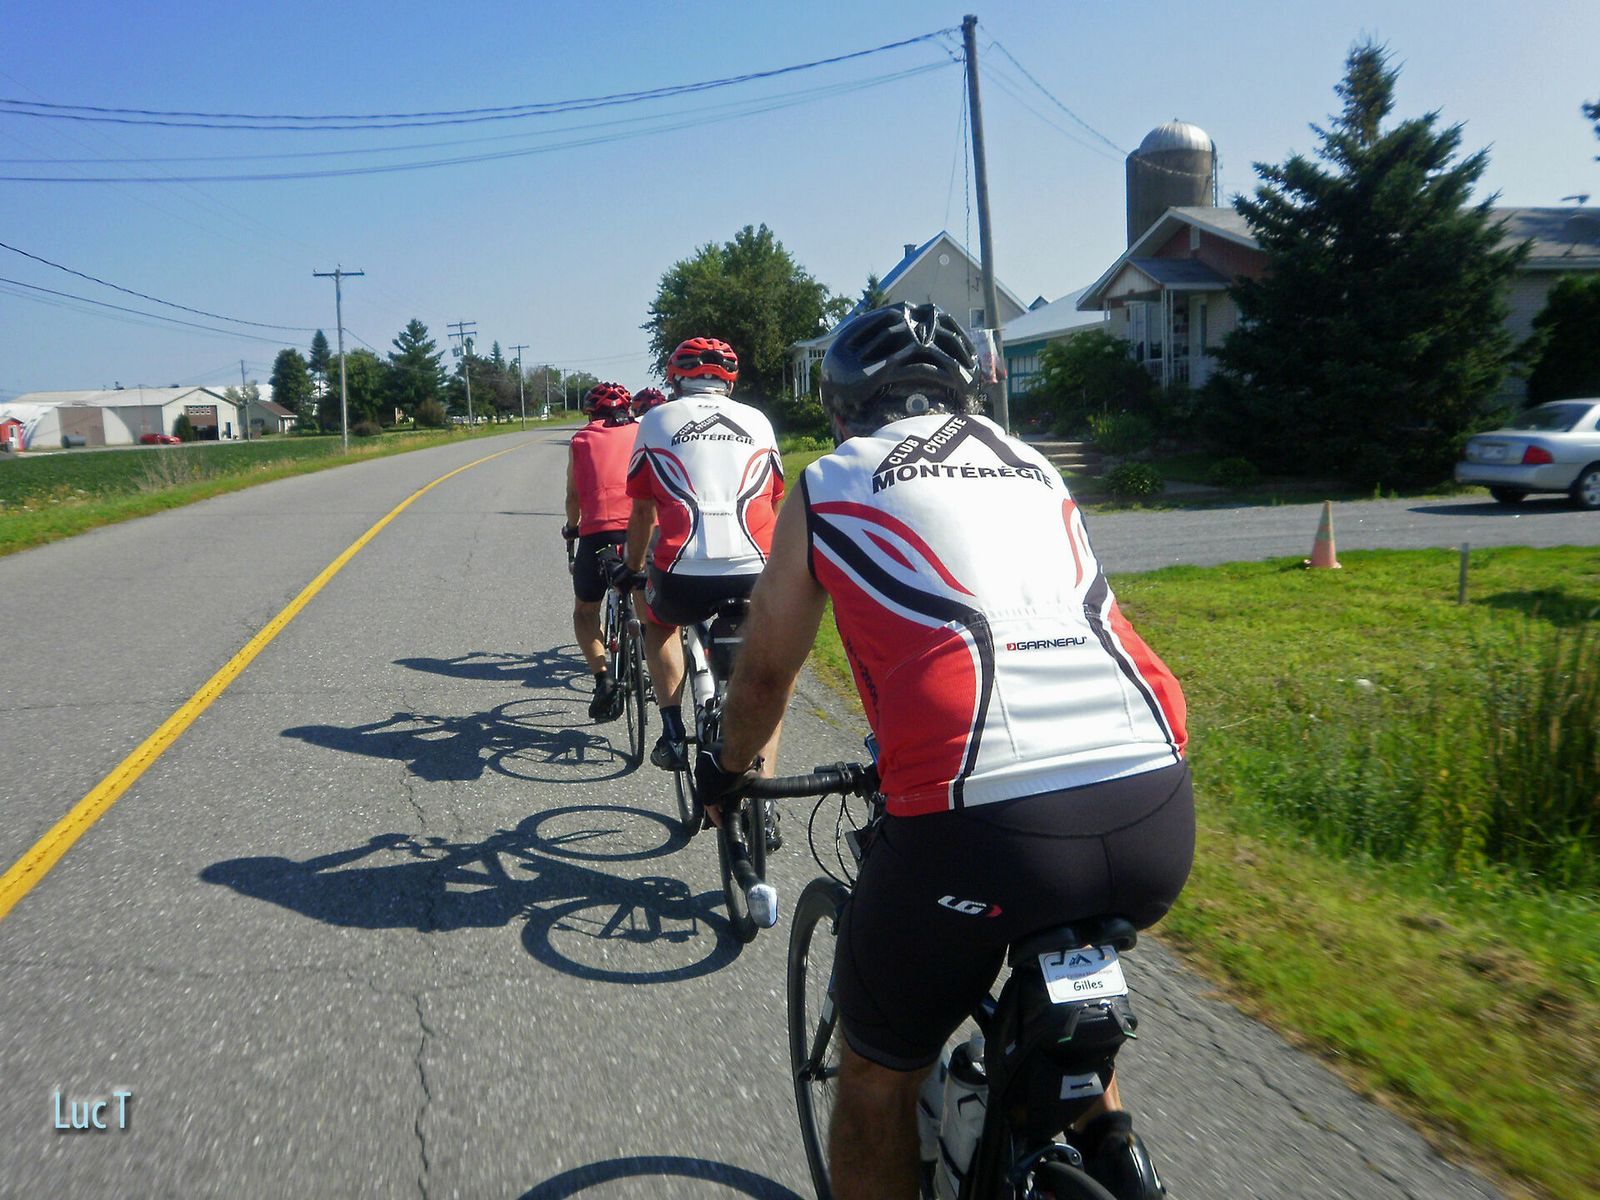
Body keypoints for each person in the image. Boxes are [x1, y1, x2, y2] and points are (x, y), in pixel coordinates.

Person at [693, 303, 1192, 1200]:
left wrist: (727, 772)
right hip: (1153, 799)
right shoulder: (1032, 464)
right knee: (1063, 990)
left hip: (980, 817)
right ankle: (1111, 1143)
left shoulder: (832, 480)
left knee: (876, 1078)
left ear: (843, 408)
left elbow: (764, 675)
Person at [614, 337, 786, 784]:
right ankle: (765, 793)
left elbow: (642, 512)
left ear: (675, 379)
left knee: (658, 624)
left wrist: (632, 568)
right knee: (767, 684)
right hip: (756, 568)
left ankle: (673, 730)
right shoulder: (759, 420)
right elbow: (774, 501)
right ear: (730, 381)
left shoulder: (655, 419)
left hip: (682, 571)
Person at [563, 381, 636, 721]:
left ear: (591, 413)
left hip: (599, 535)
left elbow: (573, 496)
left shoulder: (581, 439)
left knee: (585, 612)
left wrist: (572, 528)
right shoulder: (643, 432)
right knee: (652, 608)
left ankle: (603, 678)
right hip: (643, 531)